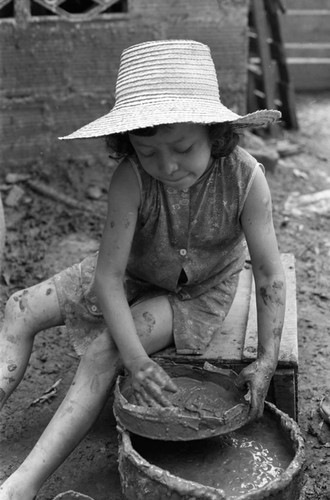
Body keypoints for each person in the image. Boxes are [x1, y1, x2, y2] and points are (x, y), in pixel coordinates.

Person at [0, 39, 286, 499]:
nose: (168, 166)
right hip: (136, 271)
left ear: (214, 132)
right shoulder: (132, 178)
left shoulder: (246, 178)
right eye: (148, 152)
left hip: (198, 292)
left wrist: (267, 361)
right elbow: (108, 277)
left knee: (102, 351)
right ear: (129, 145)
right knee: (19, 308)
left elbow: (270, 276)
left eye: (183, 147)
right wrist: (139, 360)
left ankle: (22, 485)